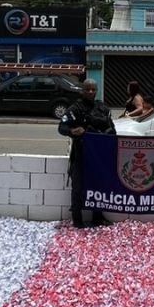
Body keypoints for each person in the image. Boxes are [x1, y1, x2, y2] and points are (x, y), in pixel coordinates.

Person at [58, 79, 116, 228]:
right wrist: (72, 131)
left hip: (99, 156)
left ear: (97, 90)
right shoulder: (75, 109)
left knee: (98, 187)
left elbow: (113, 130)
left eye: (93, 89)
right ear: (82, 91)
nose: (90, 92)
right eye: (87, 89)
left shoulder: (102, 108)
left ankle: (98, 218)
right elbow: (61, 127)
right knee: (78, 188)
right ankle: (77, 220)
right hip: (81, 154)